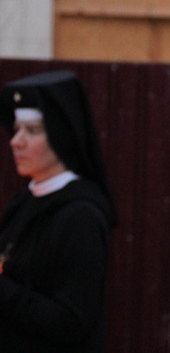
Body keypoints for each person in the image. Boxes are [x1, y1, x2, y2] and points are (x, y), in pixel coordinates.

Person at [0, 70, 118, 352]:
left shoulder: (81, 217)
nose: (16, 141)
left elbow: (70, 322)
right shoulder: (23, 203)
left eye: (33, 130)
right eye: (16, 129)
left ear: (61, 133)